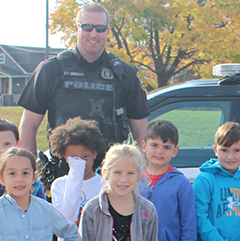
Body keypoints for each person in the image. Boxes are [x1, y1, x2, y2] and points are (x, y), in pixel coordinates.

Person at [17, 2, 150, 185]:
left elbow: (141, 133)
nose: (94, 34)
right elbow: (27, 127)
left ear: (108, 32)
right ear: (76, 29)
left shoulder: (125, 75)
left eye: (100, 29)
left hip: (113, 179)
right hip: (62, 177)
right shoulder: (51, 70)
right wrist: (29, 175)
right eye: (87, 27)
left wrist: (139, 176)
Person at [137, 119, 197, 241]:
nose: (160, 152)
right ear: (144, 146)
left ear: (175, 150)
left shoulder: (181, 183)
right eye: (154, 145)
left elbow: (189, 225)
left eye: (166, 147)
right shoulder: (133, 178)